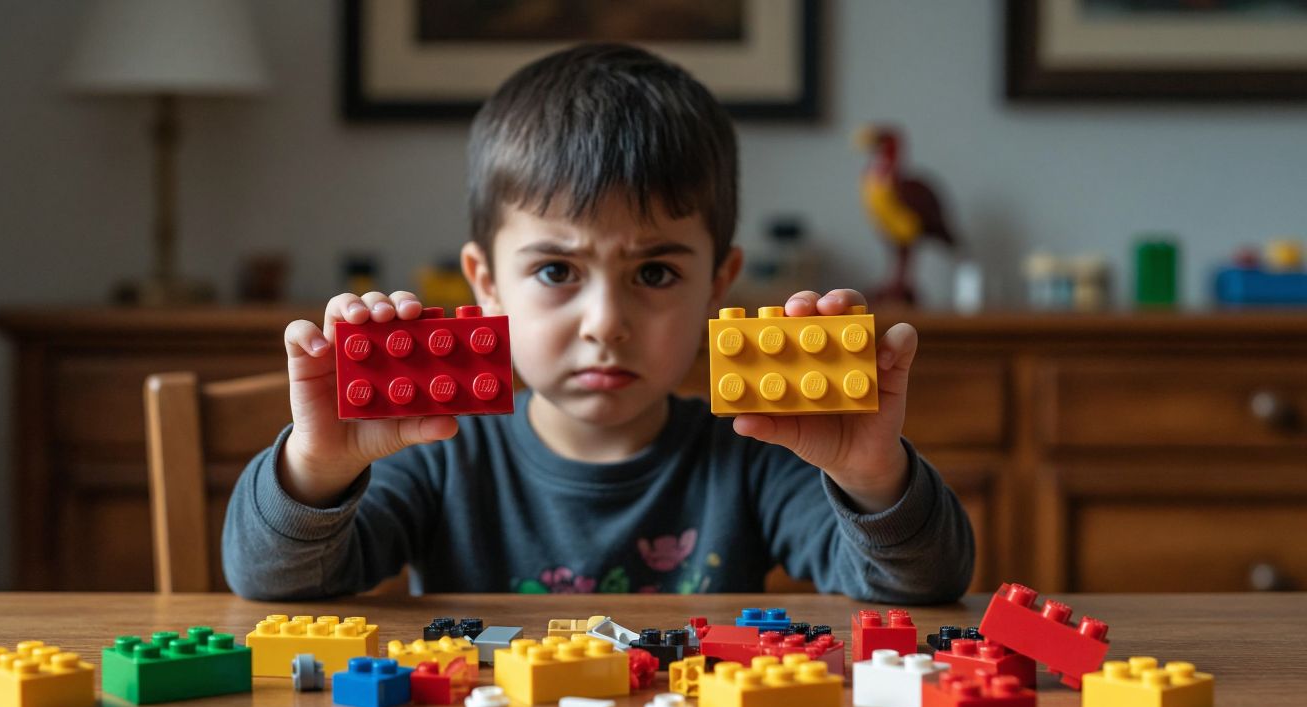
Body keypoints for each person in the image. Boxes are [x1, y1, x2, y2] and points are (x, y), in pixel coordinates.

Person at [222, 43, 973, 600]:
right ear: (485, 286)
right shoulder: (438, 452)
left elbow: (927, 586)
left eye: (655, 273)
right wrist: (317, 471)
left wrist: (873, 475)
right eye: (556, 272)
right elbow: (271, 582)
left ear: (719, 287)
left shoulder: (759, 453)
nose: (606, 323)